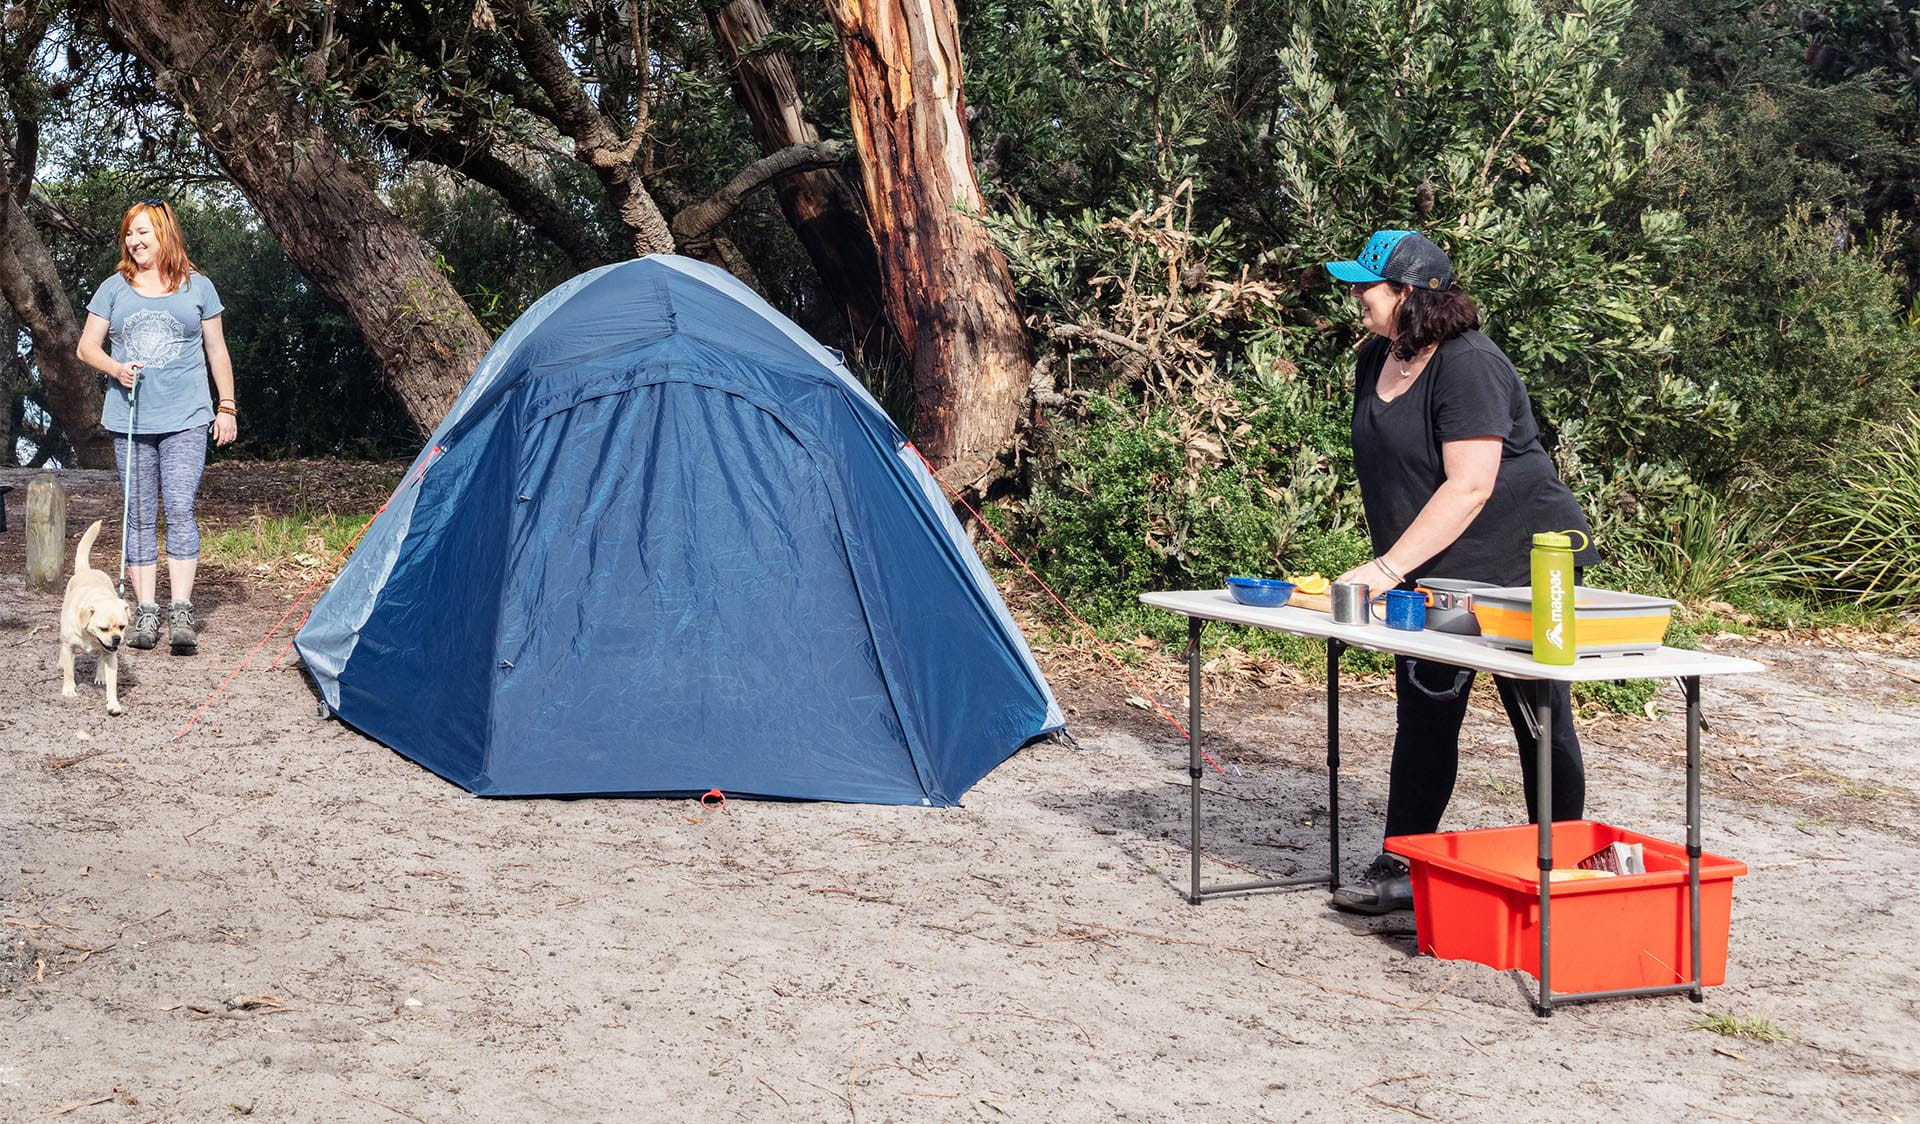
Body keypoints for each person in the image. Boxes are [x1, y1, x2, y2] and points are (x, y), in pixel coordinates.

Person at [1321, 229, 1599, 914]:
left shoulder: (1470, 365)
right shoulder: (1377, 359)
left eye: (1367, 285)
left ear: (1410, 294)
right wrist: (1402, 567)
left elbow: (1469, 485)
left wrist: (1385, 567)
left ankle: (1560, 865)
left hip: (1519, 571)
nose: (1356, 295)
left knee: (1536, 715)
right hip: (1436, 572)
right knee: (1425, 712)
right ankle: (1403, 865)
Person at [76, 197, 237, 655]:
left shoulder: (199, 288)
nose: (134, 240)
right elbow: (87, 347)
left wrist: (227, 407)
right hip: (130, 419)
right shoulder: (114, 287)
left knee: (181, 508)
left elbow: (217, 352)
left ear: (165, 233)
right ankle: (145, 611)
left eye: (143, 232)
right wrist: (115, 368)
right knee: (140, 514)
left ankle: (180, 610)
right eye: (129, 233)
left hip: (187, 417)